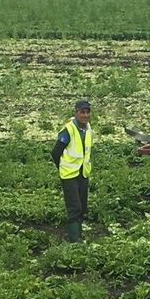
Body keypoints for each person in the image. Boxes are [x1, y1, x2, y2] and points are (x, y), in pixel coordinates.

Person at [52, 99, 93, 242]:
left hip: (83, 173)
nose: (85, 115)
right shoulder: (68, 130)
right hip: (69, 174)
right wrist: (62, 166)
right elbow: (55, 152)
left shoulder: (88, 129)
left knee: (82, 206)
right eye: (82, 112)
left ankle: (78, 234)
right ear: (76, 113)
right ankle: (74, 240)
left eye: (87, 112)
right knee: (74, 207)